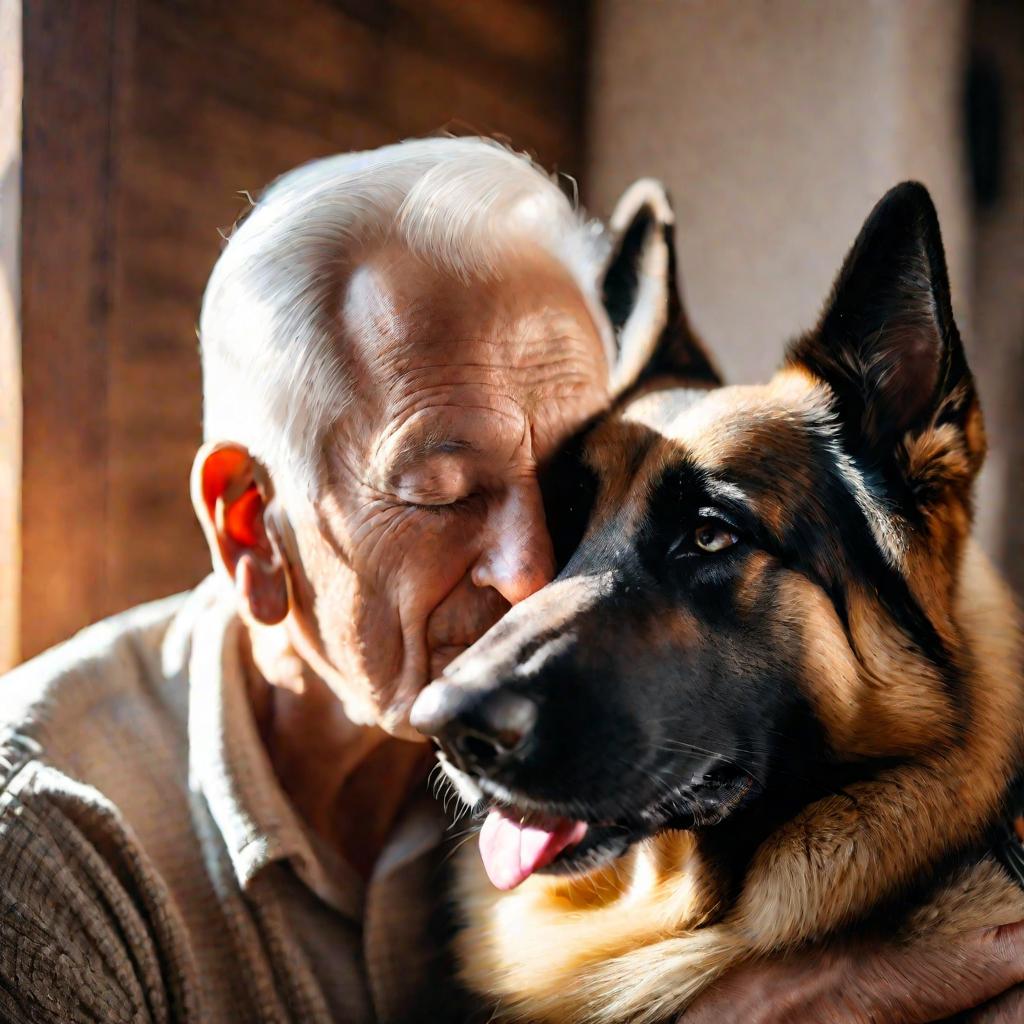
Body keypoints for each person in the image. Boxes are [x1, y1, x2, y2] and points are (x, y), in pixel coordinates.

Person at [0, 137, 1020, 1024]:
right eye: (443, 491)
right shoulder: (43, 858)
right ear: (252, 530)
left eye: (565, 502)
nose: (539, 576)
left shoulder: (561, 746)